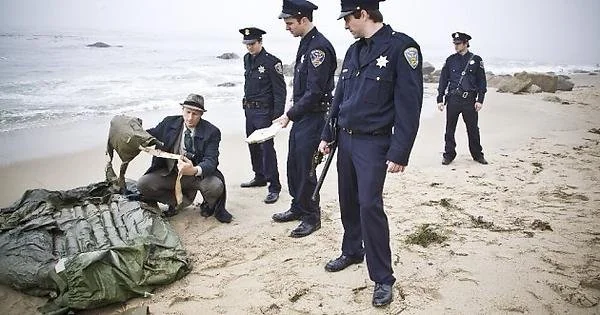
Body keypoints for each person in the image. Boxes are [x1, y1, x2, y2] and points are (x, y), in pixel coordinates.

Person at [318, 0, 423, 307]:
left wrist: (400, 151)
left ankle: (382, 277)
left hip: (374, 144)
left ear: (363, 13)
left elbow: (409, 104)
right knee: (348, 200)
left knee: (369, 206)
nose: (345, 24)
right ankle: (352, 250)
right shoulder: (354, 50)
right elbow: (340, 97)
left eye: (348, 18)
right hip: (345, 141)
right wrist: (327, 134)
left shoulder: (401, 48)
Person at [272, 0, 337, 238]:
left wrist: (289, 114)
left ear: (303, 19)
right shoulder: (306, 43)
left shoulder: (319, 47)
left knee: (308, 169)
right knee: (294, 166)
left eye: (289, 23)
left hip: (315, 117)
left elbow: (315, 92)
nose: (287, 27)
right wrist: (293, 112)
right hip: (303, 117)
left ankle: (311, 216)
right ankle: (298, 206)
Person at [137, 94, 233, 223]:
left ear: (201, 115)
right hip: (171, 173)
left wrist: (193, 170)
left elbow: (211, 161)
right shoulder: (168, 123)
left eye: (195, 114)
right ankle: (178, 202)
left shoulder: (212, 131)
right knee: (143, 184)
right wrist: (132, 131)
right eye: (187, 112)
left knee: (215, 186)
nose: (190, 117)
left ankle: (209, 205)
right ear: (182, 110)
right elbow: (149, 136)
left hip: (197, 176)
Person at [239, 27, 287, 204]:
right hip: (250, 110)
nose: (249, 47)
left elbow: (280, 91)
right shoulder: (247, 59)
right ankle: (259, 176)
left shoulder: (272, 62)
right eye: (246, 44)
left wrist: (277, 116)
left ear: (260, 42)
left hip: (264, 112)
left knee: (267, 149)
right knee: (252, 145)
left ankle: (274, 186)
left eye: (252, 44)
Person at [437, 32, 488, 165]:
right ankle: (449, 154)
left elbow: (482, 81)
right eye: (455, 43)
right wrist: (440, 98)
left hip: (469, 100)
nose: (456, 46)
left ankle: (477, 154)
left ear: (466, 43)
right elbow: (443, 80)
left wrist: (480, 99)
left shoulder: (476, 60)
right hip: (453, 99)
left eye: (458, 43)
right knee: (450, 129)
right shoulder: (450, 60)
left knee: (473, 129)